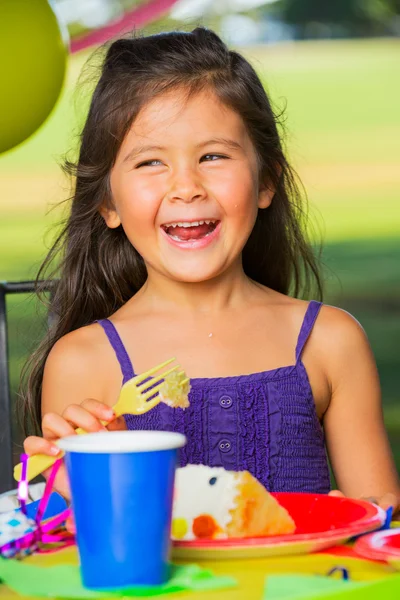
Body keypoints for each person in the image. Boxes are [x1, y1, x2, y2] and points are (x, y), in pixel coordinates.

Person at [22, 27, 399, 511]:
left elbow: (378, 521)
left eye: (213, 156)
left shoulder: (330, 340)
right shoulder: (82, 361)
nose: (186, 187)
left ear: (266, 181)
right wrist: (80, 479)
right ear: (107, 202)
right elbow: (77, 544)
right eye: (150, 162)